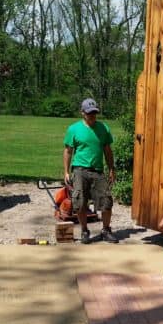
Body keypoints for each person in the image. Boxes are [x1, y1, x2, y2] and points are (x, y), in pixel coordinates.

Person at [63, 98, 118, 244]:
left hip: (98, 171)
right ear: (83, 113)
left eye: (94, 113)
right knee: (80, 202)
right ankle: (84, 231)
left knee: (106, 201)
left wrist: (111, 168)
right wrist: (66, 172)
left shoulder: (103, 128)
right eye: (89, 113)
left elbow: (107, 151)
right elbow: (68, 151)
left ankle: (106, 230)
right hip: (79, 170)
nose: (92, 115)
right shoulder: (74, 129)